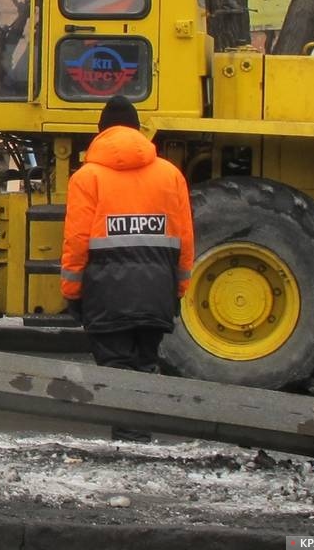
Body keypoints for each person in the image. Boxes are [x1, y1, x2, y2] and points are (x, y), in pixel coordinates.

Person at [61, 96, 195, 442]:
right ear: (139, 130)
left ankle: (129, 436)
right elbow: (184, 239)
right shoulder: (170, 175)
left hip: (106, 294)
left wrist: (72, 292)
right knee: (145, 363)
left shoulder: (87, 178)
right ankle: (140, 432)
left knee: (116, 366)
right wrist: (178, 289)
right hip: (156, 292)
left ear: (100, 132)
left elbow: (76, 241)